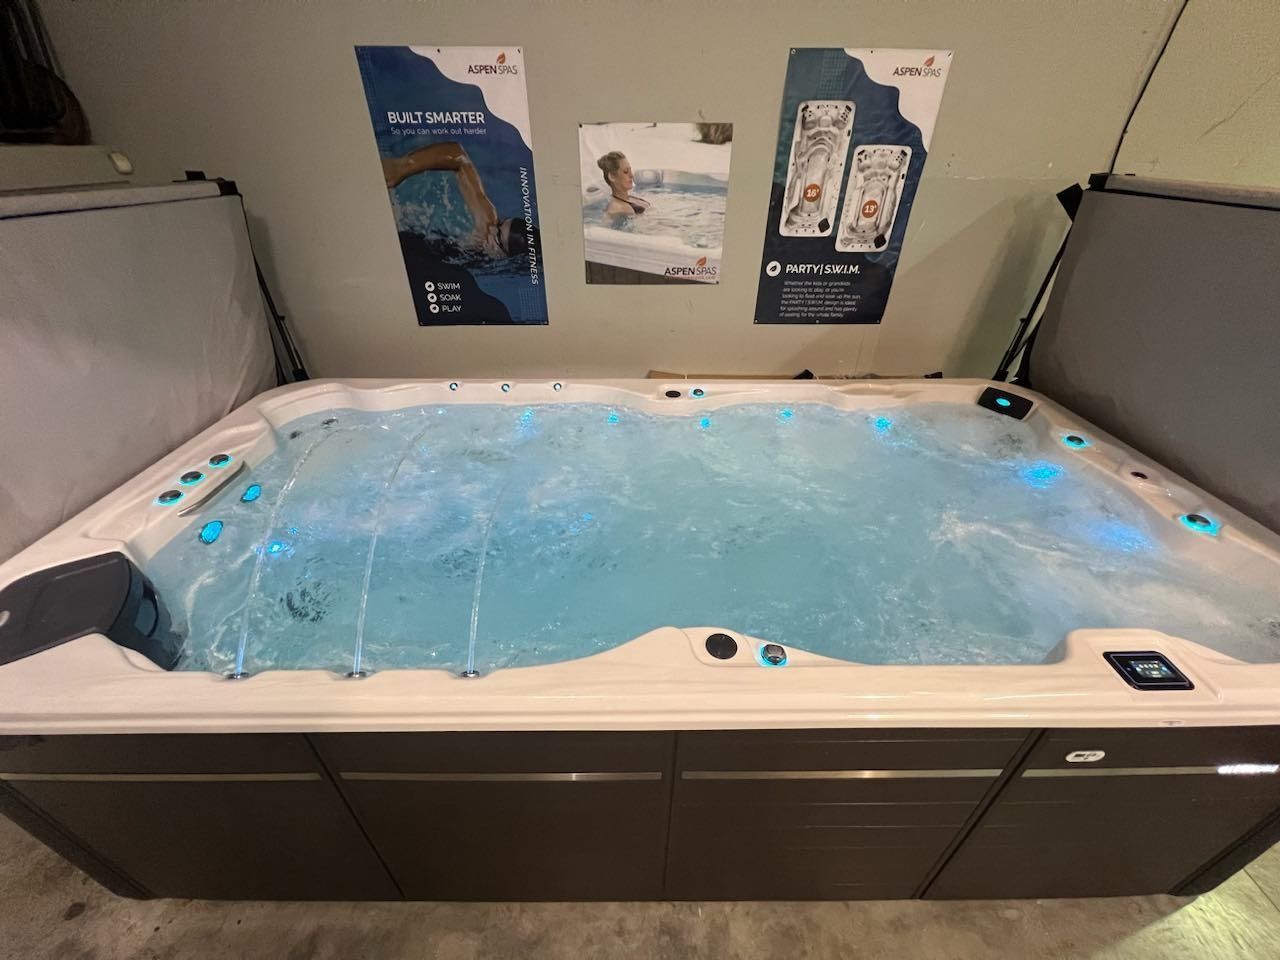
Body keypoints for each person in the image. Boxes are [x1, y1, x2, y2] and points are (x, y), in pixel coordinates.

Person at [382, 141, 535, 258]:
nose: (493, 228)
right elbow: (458, 155)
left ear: (503, 256)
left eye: (498, 237)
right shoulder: (488, 223)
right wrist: (403, 167)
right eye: (501, 223)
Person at [597, 151, 650, 220]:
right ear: (612, 177)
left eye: (630, 170)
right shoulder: (618, 208)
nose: (631, 175)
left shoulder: (629, 198)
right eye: (626, 171)